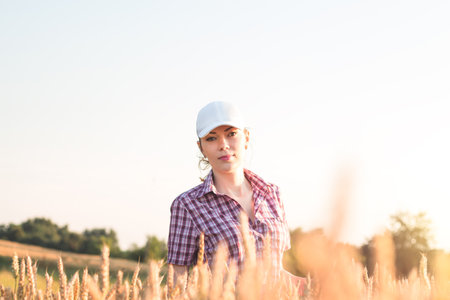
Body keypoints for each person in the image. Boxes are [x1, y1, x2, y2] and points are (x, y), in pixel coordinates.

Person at [167, 101, 305, 291]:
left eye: (231, 134)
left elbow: (276, 272)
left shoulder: (272, 194)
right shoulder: (187, 205)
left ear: (246, 138)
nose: (223, 145)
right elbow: (177, 283)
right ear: (201, 148)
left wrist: (319, 284)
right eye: (211, 138)